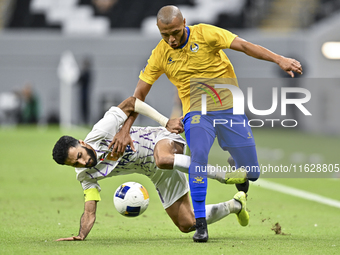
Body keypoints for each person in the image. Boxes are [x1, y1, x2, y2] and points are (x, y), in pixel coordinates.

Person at [108, 5, 303, 242]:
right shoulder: (160, 54)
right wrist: (125, 129)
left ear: (185, 23)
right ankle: (201, 225)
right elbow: (138, 96)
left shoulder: (206, 34)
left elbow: (244, 46)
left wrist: (279, 59)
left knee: (252, 173)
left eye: (176, 32)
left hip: (230, 109)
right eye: (164, 34)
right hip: (197, 114)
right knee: (198, 156)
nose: (171, 39)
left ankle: (238, 168)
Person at [52, 96, 249, 241]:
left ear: (82, 143)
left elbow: (132, 102)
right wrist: (81, 235)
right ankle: (236, 205)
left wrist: (165, 122)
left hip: (161, 140)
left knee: (162, 159)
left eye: (79, 156)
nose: (83, 162)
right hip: (156, 172)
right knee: (187, 223)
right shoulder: (85, 175)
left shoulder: (100, 132)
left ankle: (228, 175)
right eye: (75, 164)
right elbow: (90, 210)